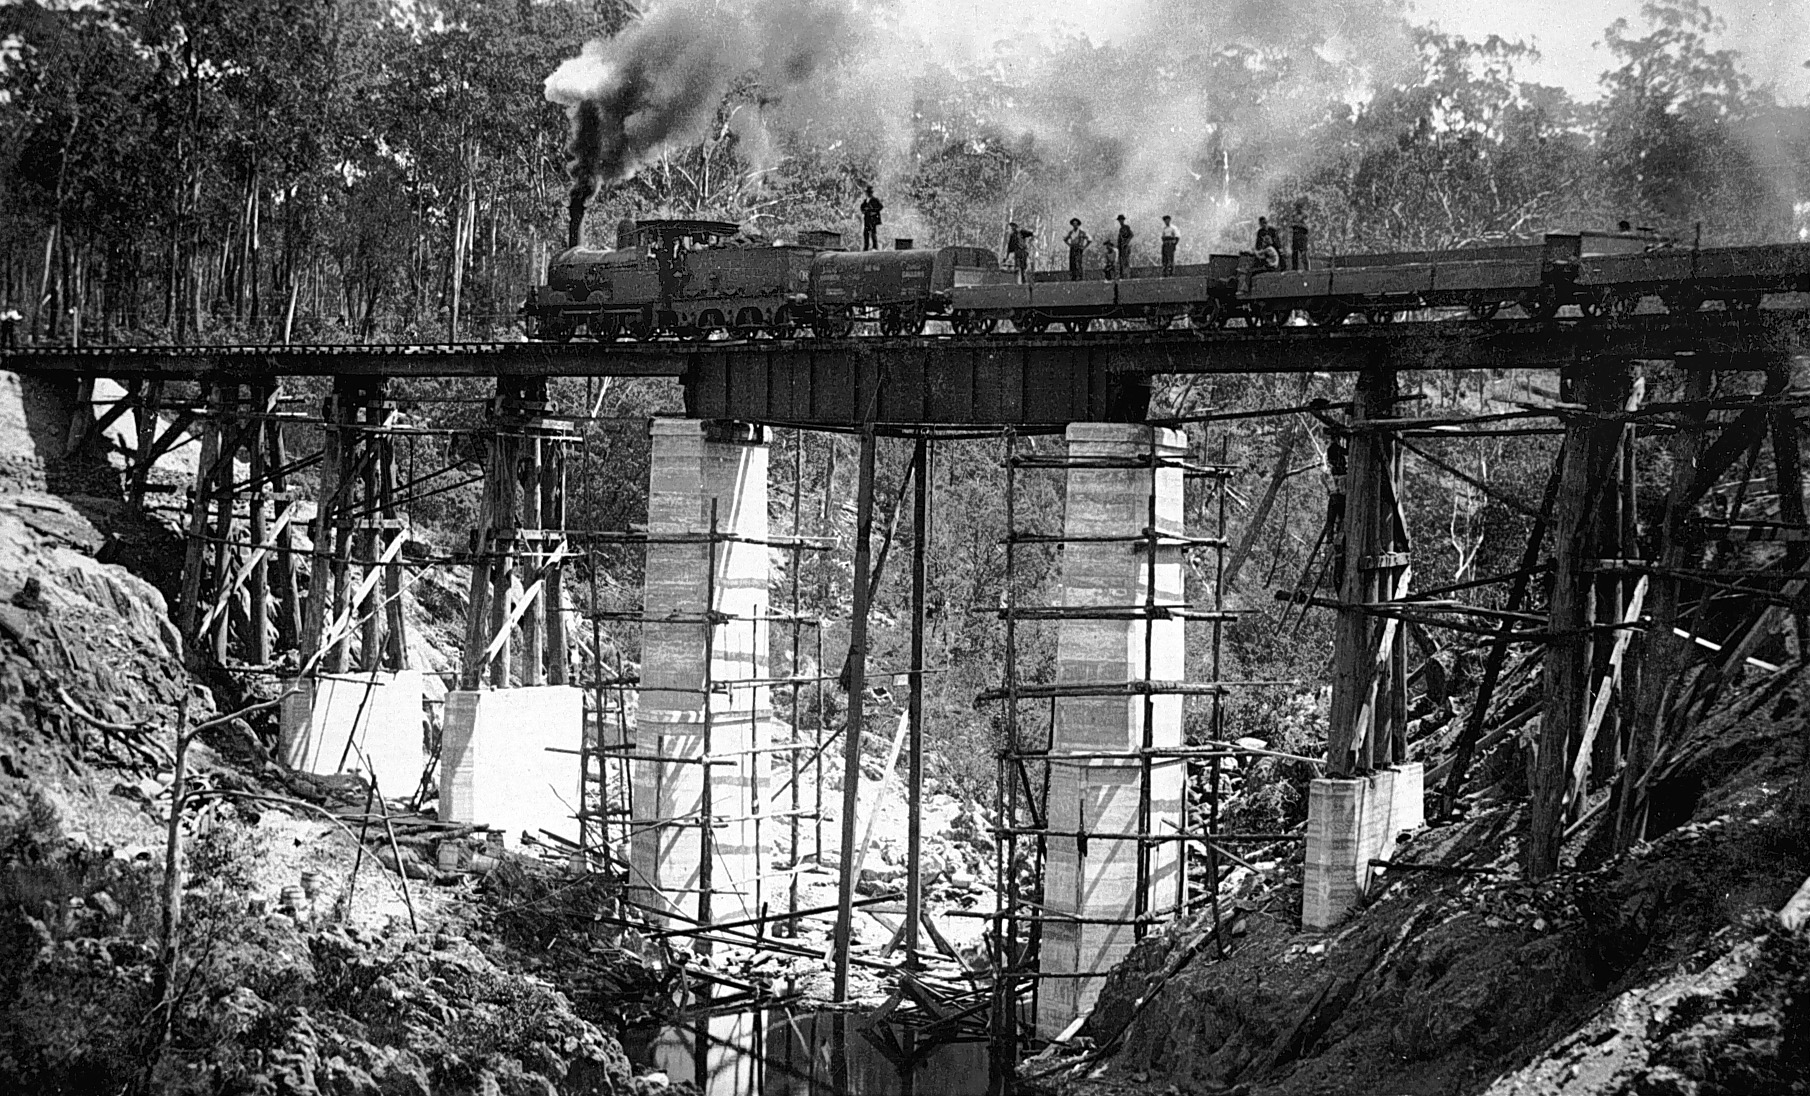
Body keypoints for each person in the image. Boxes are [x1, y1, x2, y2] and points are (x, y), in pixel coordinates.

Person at [859, 186, 884, 251]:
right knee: (866, 233)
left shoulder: (875, 200)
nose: (868, 193)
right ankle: (866, 247)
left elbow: (880, 207)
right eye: (867, 192)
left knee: (873, 233)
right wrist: (864, 210)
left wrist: (874, 211)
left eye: (869, 192)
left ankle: (874, 247)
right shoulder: (865, 201)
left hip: (873, 219)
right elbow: (862, 208)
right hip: (867, 219)